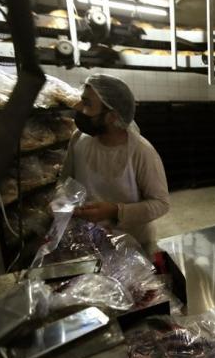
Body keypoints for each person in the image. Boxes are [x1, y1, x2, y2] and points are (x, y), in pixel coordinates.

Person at [61, 74, 169, 253]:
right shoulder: (79, 139)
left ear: (112, 116)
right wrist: (62, 204)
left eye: (87, 104)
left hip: (133, 247)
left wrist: (115, 211)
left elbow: (161, 204)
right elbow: (65, 182)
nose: (78, 107)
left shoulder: (140, 151)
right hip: (88, 242)